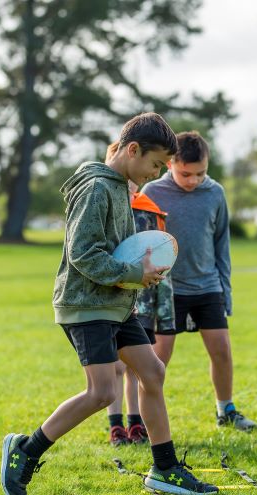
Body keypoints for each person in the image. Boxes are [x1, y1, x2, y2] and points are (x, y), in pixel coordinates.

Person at [1, 113, 218, 495]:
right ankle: (25, 451)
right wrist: (133, 273)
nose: (156, 174)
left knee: (153, 372)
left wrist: (141, 272)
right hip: (87, 304)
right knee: (102, 392)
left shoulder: (120, 185)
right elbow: (83, 253)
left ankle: (164, 468)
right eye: (155, 164)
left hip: (115, 302)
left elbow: (117, 248)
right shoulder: (97, 187)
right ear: (132, 150)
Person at [143, 131, 257, 432]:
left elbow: (222, 244)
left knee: (222, 350)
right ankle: (146, 420)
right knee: (158, 359)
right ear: (170, 164)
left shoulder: (215, 193)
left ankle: (226, 410)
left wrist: (226, 291)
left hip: (208, 286)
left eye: (201, 173)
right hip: (168, 289)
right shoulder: (152, 191)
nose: (193, 180)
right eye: (186, 174)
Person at [102, 142, 176, 447]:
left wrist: (163, 305)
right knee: (115, 367)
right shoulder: (106, 203)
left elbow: (162, 257)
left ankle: (136, 422)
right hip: (110, 298)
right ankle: (115, 424)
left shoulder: (150, 210)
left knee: (139, 367)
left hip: (142, 301)